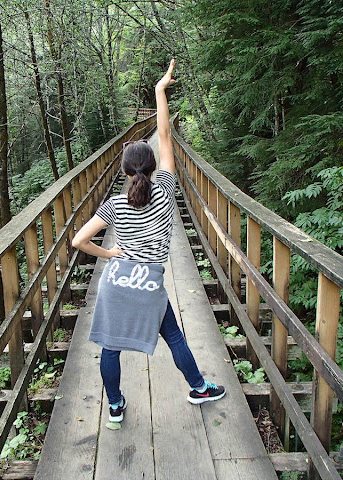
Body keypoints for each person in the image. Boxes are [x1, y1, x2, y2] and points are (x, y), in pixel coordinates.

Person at [71, 60, 225, 424]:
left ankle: (114, 406)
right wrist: (160, 90)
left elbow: (79, 241)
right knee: (174, 336)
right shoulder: (167, 191)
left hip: (118, 281)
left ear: (124, 172)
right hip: (149, 281)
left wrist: (109, 252)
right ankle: (199, 388)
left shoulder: (114, 205)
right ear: (153, 167)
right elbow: (166, 135)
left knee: (110, 345)